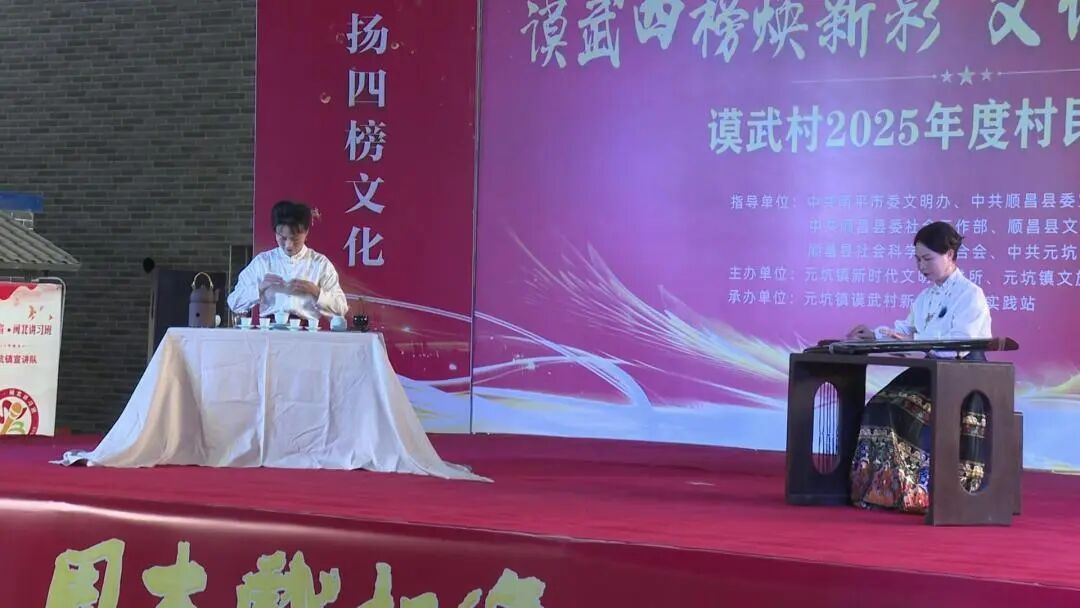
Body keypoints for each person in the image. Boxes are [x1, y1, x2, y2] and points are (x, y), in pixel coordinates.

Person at [845, 221, 992, 513]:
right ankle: (883, 492)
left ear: (950, 255)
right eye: (917, 260)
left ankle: (918, 492)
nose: (921, 266)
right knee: (878, 405)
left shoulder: (970, 294)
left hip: (961, 377)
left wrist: (918, 341)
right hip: (931, 371)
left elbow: (960, 344)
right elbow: (905, 331)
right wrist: (874, 336)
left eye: (927, 259)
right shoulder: (925, 297)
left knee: (898, 410)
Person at [227, 200, 349, 320]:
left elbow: (341, 308)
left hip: (307, 330)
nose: (288, 245)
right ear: (275, 232)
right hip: (268, 329)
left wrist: (316, 292)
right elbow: (233, 303)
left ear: (306, 232)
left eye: (295, 239)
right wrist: (259, 289)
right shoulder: (262, 262)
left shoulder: (320, 263)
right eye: (283, 238)